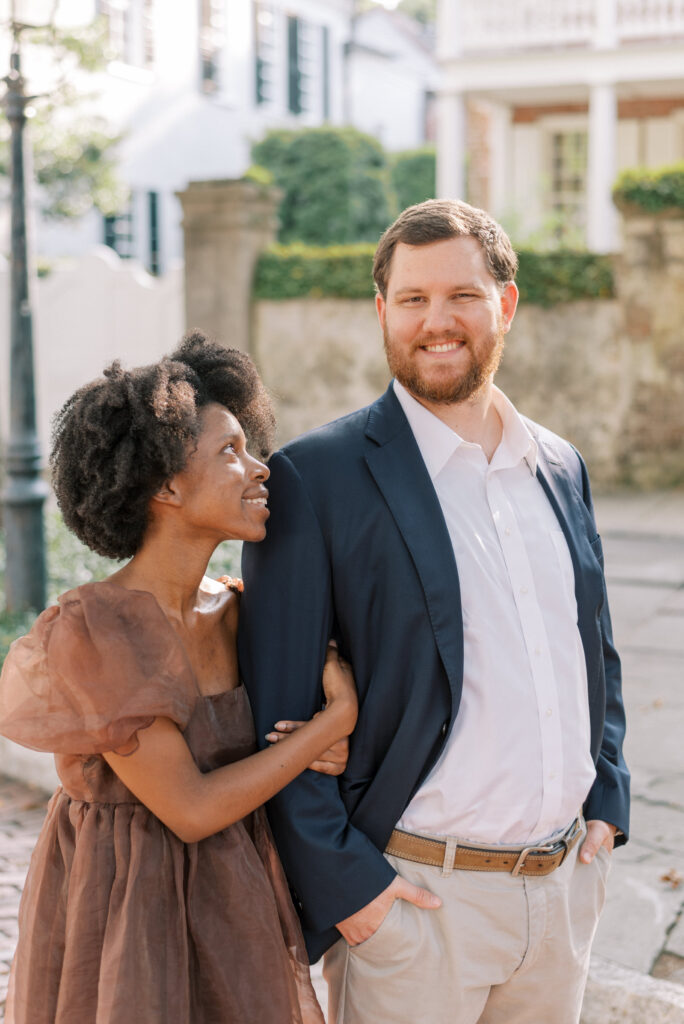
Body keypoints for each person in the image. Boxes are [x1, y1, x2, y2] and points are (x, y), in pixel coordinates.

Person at [238, 198, 630, 1024]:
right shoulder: (317, 480)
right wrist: (356, 895)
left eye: (462, 296)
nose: (437, 322)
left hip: (562, 897)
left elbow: (593, 651)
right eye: (412, 299)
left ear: (506, 305)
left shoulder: (559, 466)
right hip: (416, 909)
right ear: (383, 312)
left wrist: (608, 806)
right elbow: (272, 714)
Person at [0, 332, 357, 1024]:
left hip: (236, 901)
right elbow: (190, 809)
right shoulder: (95, 631)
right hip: (125, 911)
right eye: (230, 452)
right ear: (166, 482)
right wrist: (327, 728)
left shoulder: (245, 611)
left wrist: (320, 744)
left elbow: (290, 748)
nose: (260, 469)